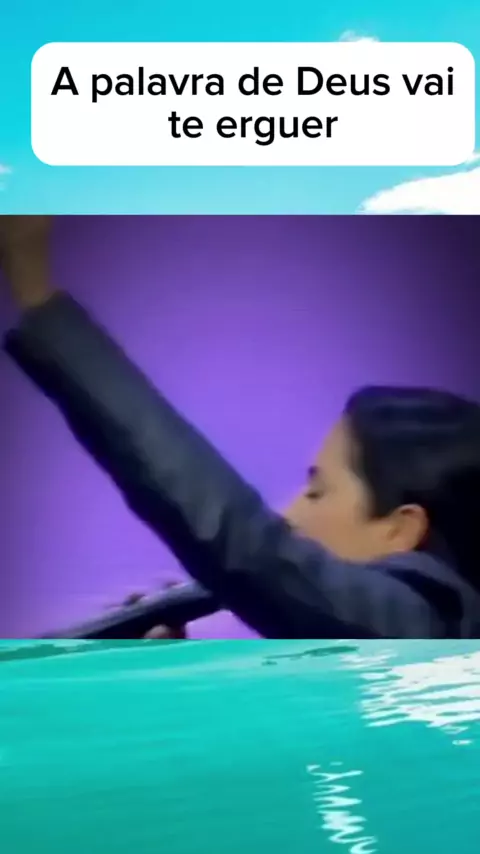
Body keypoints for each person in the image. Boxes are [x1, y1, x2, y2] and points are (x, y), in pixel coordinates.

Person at [1, 215, 480, 638]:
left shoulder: (426, 622)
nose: (286, 516)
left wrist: (36, 290)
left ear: (400, 529)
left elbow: (242, 541)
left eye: (318, 492)